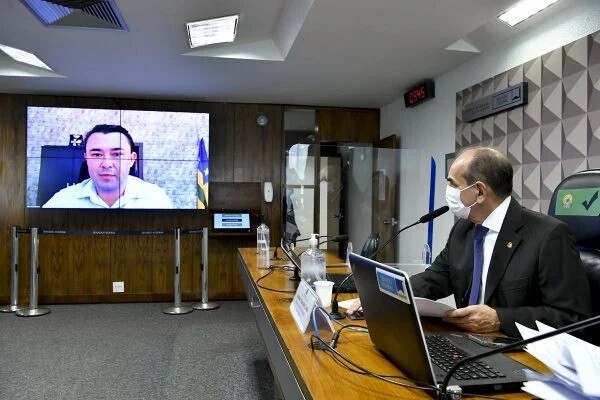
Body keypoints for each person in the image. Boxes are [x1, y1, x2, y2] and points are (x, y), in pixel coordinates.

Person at [347, 146, 591, 338]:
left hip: (518, 353)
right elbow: (435, 278)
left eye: (453, 183)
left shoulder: (548, 235)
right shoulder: (463, 230)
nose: (448, 190)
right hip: (466, 343)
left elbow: (573, 319)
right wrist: (385, 295)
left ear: (480, 191)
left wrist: (500, 319)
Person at [42, 124, 173, 209]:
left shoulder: (156, 199)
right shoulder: (62, 201)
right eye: (97, 154)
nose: (106, 164)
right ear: (86, 158)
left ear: (132, 159)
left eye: (117, 154)